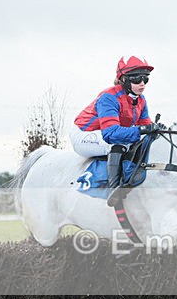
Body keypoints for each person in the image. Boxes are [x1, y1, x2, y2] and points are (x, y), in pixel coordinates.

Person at [69, 55, 165, 206]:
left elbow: (145, 124)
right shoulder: (108, 97)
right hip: (84, 134)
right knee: (117, 143)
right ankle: (114, 190)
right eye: (137, 79)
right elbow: (110, 134)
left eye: (146, 79)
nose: (142, 83)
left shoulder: (141, 100)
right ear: (124, 79)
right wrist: (142, 129)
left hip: (107, 132)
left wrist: (155, 130)